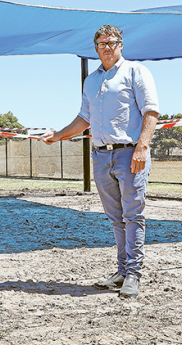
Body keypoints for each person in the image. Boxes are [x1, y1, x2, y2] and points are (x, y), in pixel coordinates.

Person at [42, 24, 159, 298]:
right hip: (101, 155)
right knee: (116, 218)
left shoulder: (136, 72)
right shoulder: (91, 81)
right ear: (95, 48)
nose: (107, 47)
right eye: (102, 44)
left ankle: (133, 274)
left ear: (121, 44)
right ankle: (121, 271)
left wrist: (142, 148)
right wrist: (58, 135)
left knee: (133, 215)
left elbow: (151, 111)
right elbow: (84, 119)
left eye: (112, 42)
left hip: (129, 154)